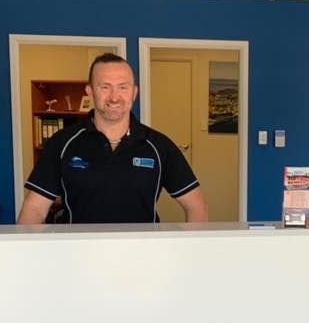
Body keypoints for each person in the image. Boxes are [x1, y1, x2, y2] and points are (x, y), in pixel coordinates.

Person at [18, 54, 208, 225]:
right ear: (90, 91)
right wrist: (29, 257)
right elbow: (35, 208)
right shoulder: (62, 143)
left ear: (134, 93)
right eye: (105, 87)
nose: (115, 97)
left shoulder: (158, 146)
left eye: (123, 87)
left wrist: (191, 254)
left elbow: (196, 205)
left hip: (142, 257)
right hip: (78, 257)